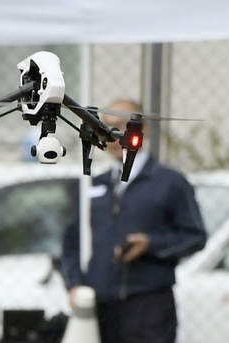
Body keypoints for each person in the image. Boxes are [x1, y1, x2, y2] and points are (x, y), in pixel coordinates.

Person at [60, 99, 207, 343]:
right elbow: (71, 243)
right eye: (105, 128)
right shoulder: (94, 185)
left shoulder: (169, 183)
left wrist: (150, 244)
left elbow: (194, 236)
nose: (112, 135)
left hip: (148, 305)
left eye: (121, 126)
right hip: (100, 305)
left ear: (143, 129)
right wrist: (75, 285)